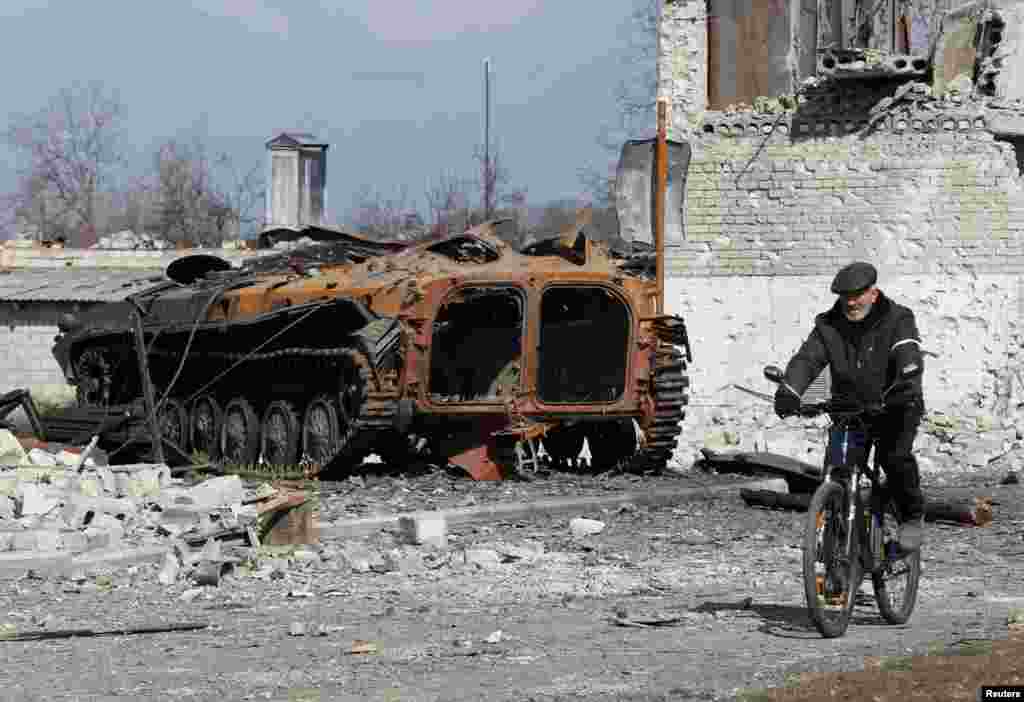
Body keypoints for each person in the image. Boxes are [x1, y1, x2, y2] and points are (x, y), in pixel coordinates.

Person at [774, 261, 926, 552]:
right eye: (846, 297)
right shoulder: (828, 325)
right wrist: (790, 391)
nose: (851, 302)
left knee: (894, 459)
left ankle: (911, 516)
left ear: (873, 293)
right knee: (837, 469)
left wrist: (908, 370)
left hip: (895, 404)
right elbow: (808, 359)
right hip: (850, 409)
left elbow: (906, 348)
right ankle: (837, 549)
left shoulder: (898, 318)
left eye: (858, 295)